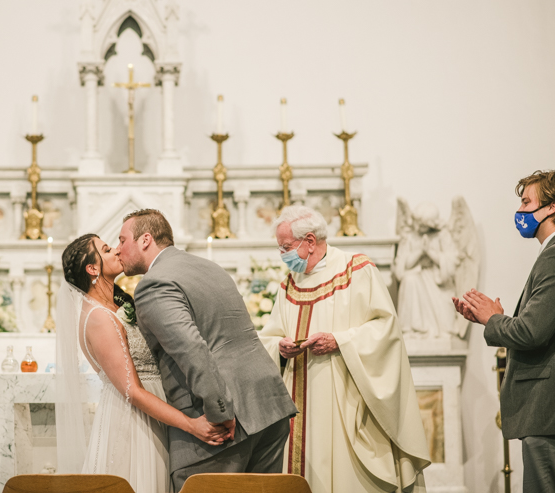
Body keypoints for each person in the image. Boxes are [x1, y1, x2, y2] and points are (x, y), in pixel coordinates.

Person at [117, 209, 296, 492]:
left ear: (145, 240)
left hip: (223, 424)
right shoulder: (209, 267)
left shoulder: (153, 284)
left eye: (122, 240)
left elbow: (191, 348)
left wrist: (219, 412)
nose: (118, 250)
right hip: (268, 406)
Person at [259, 205, 430, 493]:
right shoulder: (289, 284)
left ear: (310, 241)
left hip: (345, 399)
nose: (282, 254)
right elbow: (269, 335)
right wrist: (280, 346)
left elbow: (386, 329)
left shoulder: (357, 270)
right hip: (297, 402)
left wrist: (340, 340)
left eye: (286, 247)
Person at [56, 233, 228, 493]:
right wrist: (191, 424)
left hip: (153, 411)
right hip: (133, 421)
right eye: (106, 249)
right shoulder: (99, 317)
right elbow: (132, 391)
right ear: (92, 268)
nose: (116, 251)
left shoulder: (115, 306)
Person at [453, 170, 555, 493]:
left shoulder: (553, 257)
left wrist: (494, 319)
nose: (521, 211)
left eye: (527, 202)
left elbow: (531, 332)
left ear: (551, 207)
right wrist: (488, 317)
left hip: (546, 412)